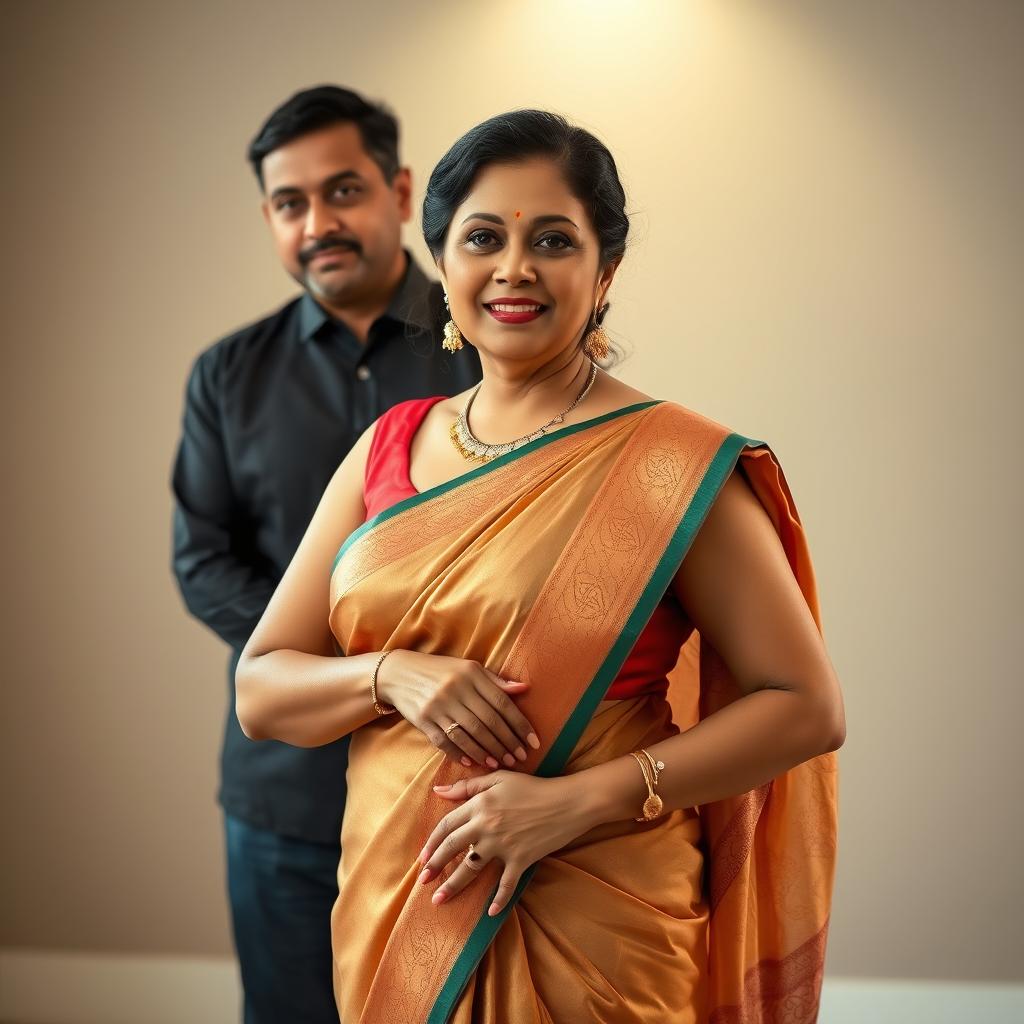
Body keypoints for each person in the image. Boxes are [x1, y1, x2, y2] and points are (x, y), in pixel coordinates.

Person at [235, 109, 845, 1023]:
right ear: (443, 264)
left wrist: (580, 802)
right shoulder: (385, 449)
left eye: (553, 239)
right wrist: (391, 676)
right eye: (483, 237)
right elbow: (261, 689)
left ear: (605, 272)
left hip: (599, 921)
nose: (514, 267)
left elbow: (805, 707)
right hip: (396, 903)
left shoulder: (672, 465)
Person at [171, 85, 481, 1024]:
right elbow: (203, 560)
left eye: (341, 191)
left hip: (459, 786)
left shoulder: (487, 348)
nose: (317, 224)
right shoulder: (228, 374)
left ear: (398, 191)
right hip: (283, 804)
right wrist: (361, 669)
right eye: (289, 203)